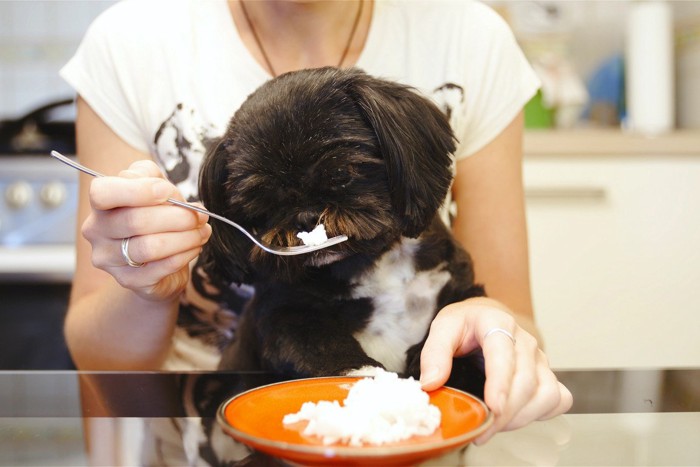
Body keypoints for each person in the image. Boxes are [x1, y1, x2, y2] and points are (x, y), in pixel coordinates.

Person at [60, 0, 572, 445]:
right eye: (268, 209)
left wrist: (495, 334)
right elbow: (97, 357)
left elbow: (516, 321)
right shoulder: (131, 44)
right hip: (210, 435)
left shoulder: (470, 37)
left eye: (342, 180)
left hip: (429, 438)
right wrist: (146, 283)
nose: (310, 222)